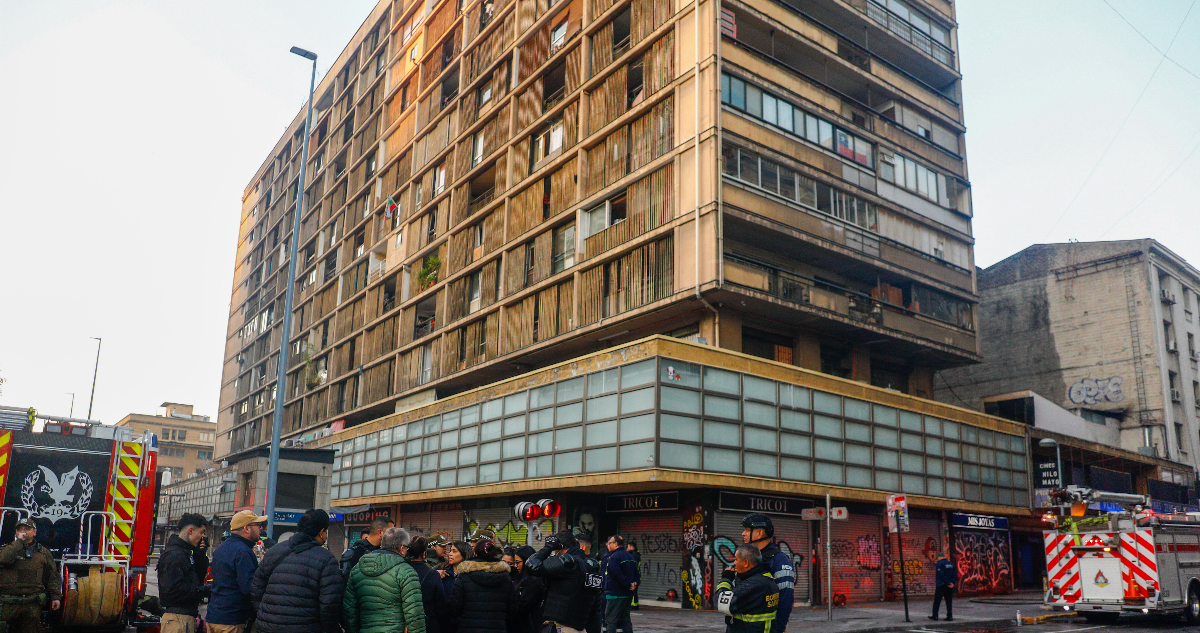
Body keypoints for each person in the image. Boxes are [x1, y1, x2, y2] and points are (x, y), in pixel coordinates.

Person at [252, 509, 343, 633]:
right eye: (326, 532)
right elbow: (329, 605)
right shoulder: (327, 559)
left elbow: (256, 587)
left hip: (267, 626)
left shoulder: (274, 551)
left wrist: (264, 613)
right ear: (321, 532)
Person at [342, 527, 426, 633]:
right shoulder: (406, 572)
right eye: (407, 548)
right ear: (402, 549)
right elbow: (414, 614)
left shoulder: (357, 570)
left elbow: (349, 611)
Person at [208, 510, 268, 633]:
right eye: (257, 525)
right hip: (232, 620)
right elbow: (249, 587)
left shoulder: (221, 548)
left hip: (214, 615)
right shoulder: (243, 552)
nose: (260, 529)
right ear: (246, 528)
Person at [0, 518, 61, 633]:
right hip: (8, 603)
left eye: (27, 529)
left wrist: (55, 597)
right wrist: (18, 543)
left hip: (32, 603)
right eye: (19, 529)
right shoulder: (7, 550)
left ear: (34, 532)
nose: (23, 532)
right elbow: (3, 560)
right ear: (16, 533)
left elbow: (51, 576)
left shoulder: (43, 553)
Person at [526, 531, 593, 633]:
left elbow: (532, 566)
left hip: (561, 627)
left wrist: (548, 547)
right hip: (581, 627)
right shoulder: (590, 565)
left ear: (560, 546)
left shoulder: (567, 562)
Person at [446, 540, 518, 633]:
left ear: (475, 554)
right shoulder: (505, 578)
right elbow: (512, 610)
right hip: (497, 628)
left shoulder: (464, 577)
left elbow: (454, 608)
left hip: (468, 628)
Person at [157, 513, 210, 633]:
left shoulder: (186, 553)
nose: (203, 537)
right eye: (202, 532)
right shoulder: (175, 555)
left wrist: (200, 554)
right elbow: (173, 590)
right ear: (190, 530)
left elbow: (197, 577)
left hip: (184, 619)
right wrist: (202, 590)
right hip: (178, 620)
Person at [741, 514, 793, 633]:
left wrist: (778, 629)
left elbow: (785, 598)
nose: (743, 533)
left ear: (760, 533)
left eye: (747, 530)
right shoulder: (746, 558)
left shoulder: (779, 560)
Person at [715, 545, 780, 633]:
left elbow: (721, 602)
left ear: (746, 563)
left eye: (736, 559)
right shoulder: (764, 579)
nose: (734, 563)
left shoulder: (755, 584)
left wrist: (726, 579)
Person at [405, 537, 449, 633]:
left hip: (404, 624)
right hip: (428, 624)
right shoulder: (432, 574)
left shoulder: (401, 571)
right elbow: (441, 605)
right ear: (424, 554)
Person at [603, 535, 638, 633]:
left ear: (616, 544)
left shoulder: (614, 557)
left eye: (610, 543)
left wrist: (627, 584)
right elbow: (636, 573)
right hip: (627, 594)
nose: (608, 545)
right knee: (626, 619)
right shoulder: (630, 556)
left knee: (611, 619)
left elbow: (617, 574)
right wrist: (634, 584)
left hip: (615, 594)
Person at [436, 540, 470, 633]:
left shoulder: (470, 575)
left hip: (464, 624)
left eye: (454, 551)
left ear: (464, 554)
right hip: (444, 624)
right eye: (450, 551)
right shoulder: (440, 570)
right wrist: (434, 575)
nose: (450, 554)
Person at [511, 546, 544, 633]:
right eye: (514, 562)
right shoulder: (526, 577)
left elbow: (524, 605)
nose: (515, 565)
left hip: (529, 624)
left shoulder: (531, 579)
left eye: (518, 562)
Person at [574, 534, 602, 633]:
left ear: (582, 547)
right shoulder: (595, 565)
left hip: (581, 616)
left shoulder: (579, 565)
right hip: (594, 615)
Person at [930, 551, 956, 621]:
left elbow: (941, 575)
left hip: (941, 585)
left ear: (939, 557)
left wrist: (947, 582)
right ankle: (949, 616)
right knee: (949, 601)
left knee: (937, 601)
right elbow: (955, 574)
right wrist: (952, 583)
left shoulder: (939, 563)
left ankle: (935, 615)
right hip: (949, 586)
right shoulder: (951, 564)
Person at [625, 543, 641, 610]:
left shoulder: (634, 556)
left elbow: (633, 567)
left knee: (633, 591)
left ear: (632, 547)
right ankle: (634, 604)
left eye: (628, 547)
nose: (627, 548)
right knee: (634, 591)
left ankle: (634, 605)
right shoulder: (636, 554)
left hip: (633, 576)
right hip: (635, 576)